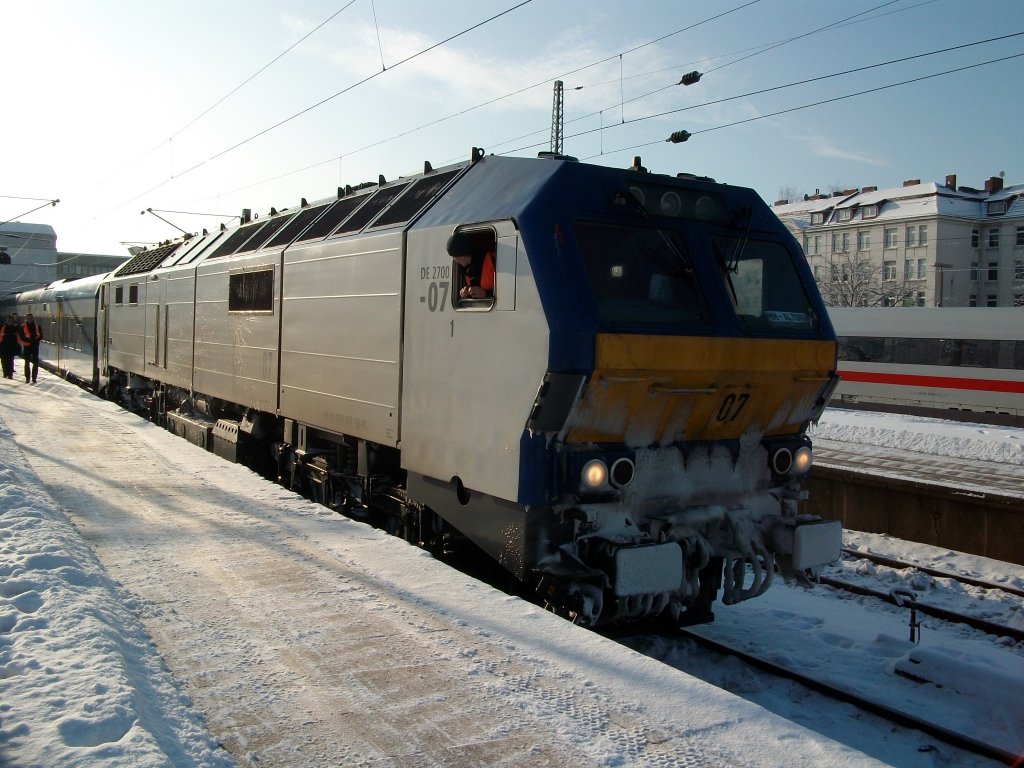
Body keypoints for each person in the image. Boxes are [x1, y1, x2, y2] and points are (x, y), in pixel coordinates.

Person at [447, 231, 494, 300]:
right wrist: (467, 291)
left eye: (456, 257)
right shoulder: (466, 269)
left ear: (464, 253)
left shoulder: (492, 260)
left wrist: (486, 293)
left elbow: (510, 289)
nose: (456, 261)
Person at [18, 312, 43, 384]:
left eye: (31, 318)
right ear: (26, 319)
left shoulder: (37, 326)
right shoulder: (23, 327)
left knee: (35, 363)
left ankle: (34, 378)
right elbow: (22, 337)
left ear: (33, 318)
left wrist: (33, 339)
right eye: (28, 318)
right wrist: (32, 339)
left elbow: (41, 336)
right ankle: (27, 378)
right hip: (27, 347)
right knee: (27, 363)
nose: (30, 319)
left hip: (35, 347)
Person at [0, 313, 19, 379]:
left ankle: (10, 373)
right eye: (8, 321)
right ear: (6, 321)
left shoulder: (15, 328)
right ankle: (5, 372)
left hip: (11, 347)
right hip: (3, 347)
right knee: (3, 360)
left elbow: (17, 337)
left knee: (10, 360)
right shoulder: (2, 327)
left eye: (11, 321)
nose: (9, 322)